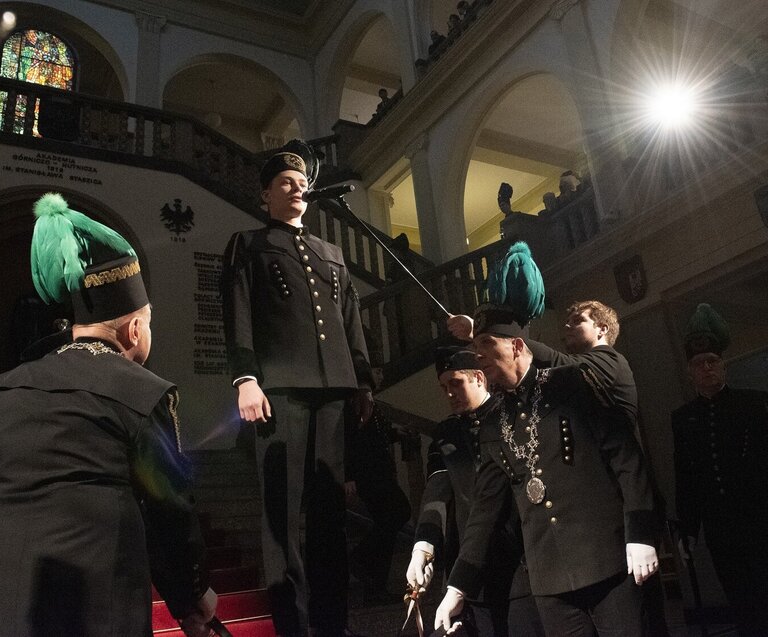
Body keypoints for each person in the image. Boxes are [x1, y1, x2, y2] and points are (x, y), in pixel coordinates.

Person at [0, 193, 215, 637]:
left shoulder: (3, 389)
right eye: (148, 321)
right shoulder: (143, 394)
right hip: (97, 616)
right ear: (134, 328)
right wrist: (191, 597)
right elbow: (170, 513)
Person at [435, 262, 662, 634]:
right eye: (474, 348)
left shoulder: (570, 382)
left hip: (610, 561)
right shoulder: (493, 422)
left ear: (518, 346)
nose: (478, 355)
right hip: (549, 581)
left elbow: (626, 456)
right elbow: (484, 509)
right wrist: (458, 586)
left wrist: (639, 532)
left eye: (486, 344)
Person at [221, 140, 374, 637]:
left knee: (330, 511)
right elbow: (238, 315)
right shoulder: (249, 244)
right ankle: (291, 623)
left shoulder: (330, 252)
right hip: (280, 390)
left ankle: (332, 624)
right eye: (285, 182)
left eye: (301, 180)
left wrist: (363, 379)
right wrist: (245, 378)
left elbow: (351, 320)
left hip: (333, 389)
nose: (298, 186)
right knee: (281, 515)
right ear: (265, 195)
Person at [671, 304, 768, 637]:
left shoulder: (754, 403)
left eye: (713, 362)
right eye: (698, 364)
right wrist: (688, 529)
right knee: (748, 618)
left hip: (766, 529)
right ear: (690, 371)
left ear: (724, 366)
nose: (707, 369)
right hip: (723, 537)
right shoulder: (683, 418)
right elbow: (686, 476)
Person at [407, 346, 543, 636]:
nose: (449, 393)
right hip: (471, 571)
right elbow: (436, 492)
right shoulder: (446, 433)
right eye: (444, 387)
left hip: (520, 561)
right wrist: (424, 545)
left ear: (479, 378)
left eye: (456, 383)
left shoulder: (509, 416)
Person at [345, 406, 411, 607]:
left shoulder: (369, 400)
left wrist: (394, 434)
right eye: (378, 371)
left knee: (390, 523)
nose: (381, 374)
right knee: (396, 513)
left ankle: (375, 587)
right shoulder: (359, 399)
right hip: (369, 472)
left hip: (377, 469)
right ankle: (360, 557)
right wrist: (348, 475)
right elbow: (349, 437)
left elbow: (373, 435)